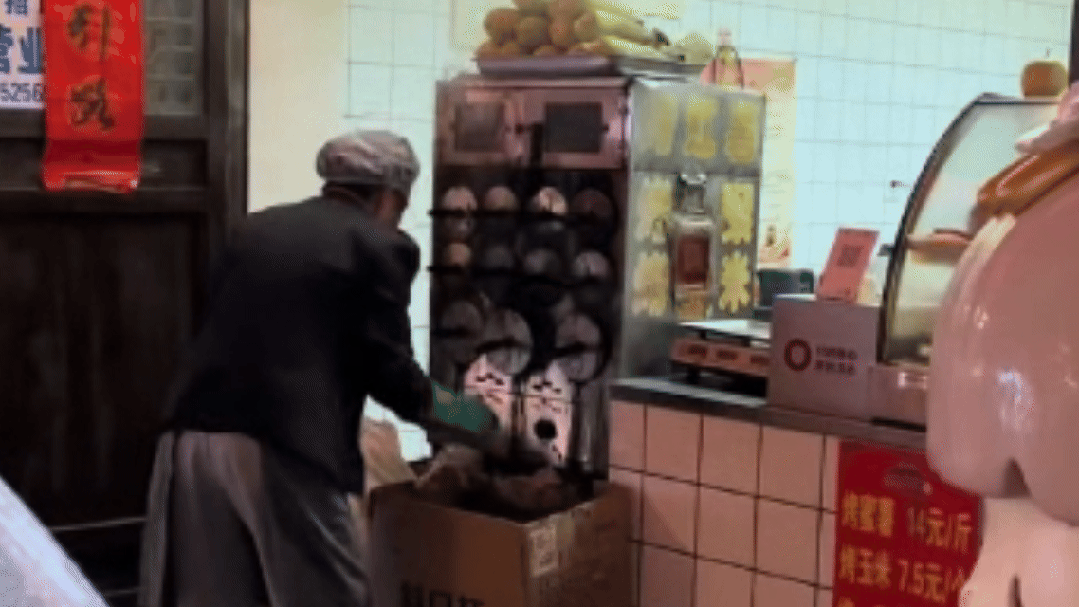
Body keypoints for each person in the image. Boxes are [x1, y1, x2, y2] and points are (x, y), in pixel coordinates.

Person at [137, 130, 501, 607]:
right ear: (390, 196)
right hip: (283, 447)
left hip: (191, 439)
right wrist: (476, 420)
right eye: (401, 204)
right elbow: (394, 377)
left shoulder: (255, 229)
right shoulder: (379, 244)